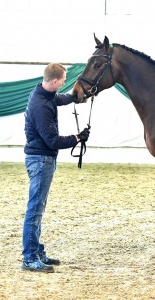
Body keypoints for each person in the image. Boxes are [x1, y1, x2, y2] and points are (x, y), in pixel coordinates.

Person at [22, 63, 90, 273]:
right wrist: (78, 138)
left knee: (38, 208)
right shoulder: (40, 106)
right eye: (63, 80)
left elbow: (59, 98)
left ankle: (36, 250)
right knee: (35, 209)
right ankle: (29, 258)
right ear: (54, 81)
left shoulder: (45, 94)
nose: (64, 83)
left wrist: (74, 98)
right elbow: (52, 140)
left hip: (42, 159)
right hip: (41, 160)